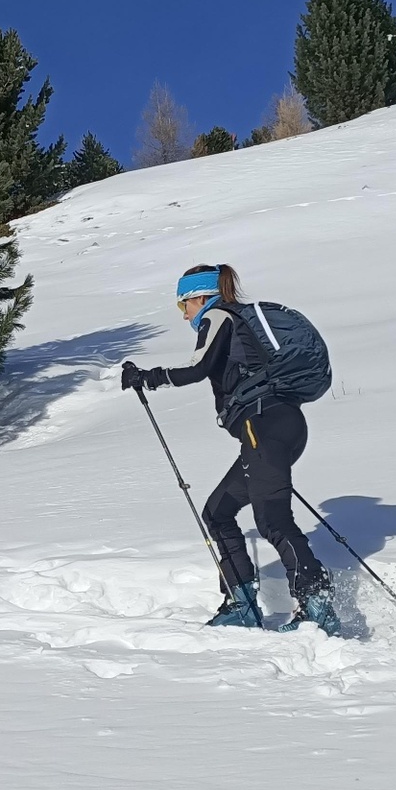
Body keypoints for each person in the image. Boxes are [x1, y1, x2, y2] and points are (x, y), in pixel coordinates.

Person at [122, 263, 343, 635]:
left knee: (273, 520)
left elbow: (198, 368)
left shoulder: (219, 316)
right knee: (218, 512)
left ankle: (316, 605)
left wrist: (148, 377)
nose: (185, 315)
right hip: (276, 425)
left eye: (183, 305)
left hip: (264, 425)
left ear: (199, 297)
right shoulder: (234, 320)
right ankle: (241, 604)